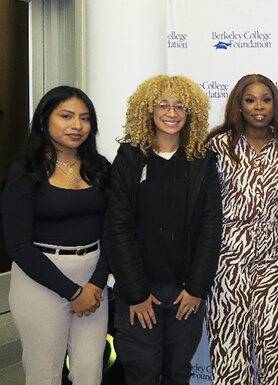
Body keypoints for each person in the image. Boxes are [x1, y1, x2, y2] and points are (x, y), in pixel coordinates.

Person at [103, 75, 222, 384]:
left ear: (191, 113)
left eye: (180, 106)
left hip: (185, 295)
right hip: (141, 293)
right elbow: (118, 228)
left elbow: (211, 228)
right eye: (163, 105)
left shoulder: (202, 161)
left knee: (177, 374)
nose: (172, 113)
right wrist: (136, 293)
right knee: (141, 374)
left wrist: (196, 289)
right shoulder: (129, 159)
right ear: (149, 110)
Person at [2, 86, 111, 384]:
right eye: (66, 116)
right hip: (41, 282)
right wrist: (73, 293)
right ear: (43, 120)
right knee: (44, 376)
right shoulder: (23, 172)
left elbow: (113, 233)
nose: (77, 125)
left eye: (85, 118)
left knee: (90, 373)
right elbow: (19, 246)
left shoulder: (100, 168)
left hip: (93, 283)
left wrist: (94, 286)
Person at [205, 74, 278, 385]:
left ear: (275, 105)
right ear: (239, 106)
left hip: (273, 260)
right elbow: (202, 207)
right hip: (225, 261)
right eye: (250, 99)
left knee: (272, 342)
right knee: (229, 343)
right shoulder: (216, 146)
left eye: (266, 99)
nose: (259, 106)